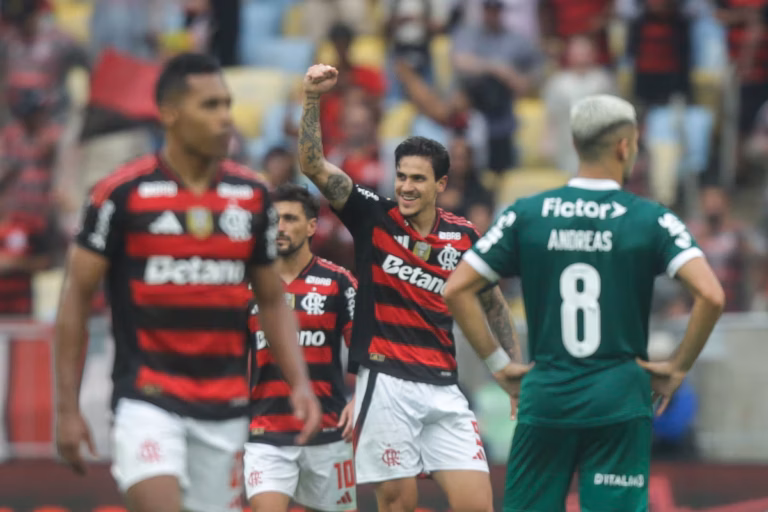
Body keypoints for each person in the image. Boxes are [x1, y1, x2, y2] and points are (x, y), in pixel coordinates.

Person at [54, 53, 322, 512]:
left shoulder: (252, 196)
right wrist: (66, 408)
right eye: (210, 106)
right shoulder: (121, 195)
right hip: (147, 398)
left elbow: (273, 301)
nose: (225, 118)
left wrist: (299, 381)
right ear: (170, 114)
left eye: (227, 104)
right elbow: (76, 299)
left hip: (227, 406)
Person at [443, 94, 725, 512]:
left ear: (574, 146)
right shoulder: (651, 217)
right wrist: (676, 368)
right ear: (624, 147)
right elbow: (711, 295)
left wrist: (500, 367)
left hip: (547, 394)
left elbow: (456, 289)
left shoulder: (527, 213)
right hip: (619, 396)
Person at [297, 64, 520, 512]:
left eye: (418, 178)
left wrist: (515, 369)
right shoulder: (372, 215)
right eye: (401, 176)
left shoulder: (462, 237)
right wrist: (312, 98)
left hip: (443, 386)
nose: (406, 187)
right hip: (386, 381)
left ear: (440, 184)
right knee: (399, 503)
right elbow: (313, 165)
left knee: (478, 505)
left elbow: (492, 302)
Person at [244, 183, 358, 512]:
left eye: (290, 218)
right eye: (274, 219)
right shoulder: (247, 285)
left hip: (329, 431)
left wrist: (360, 397)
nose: (279, 227)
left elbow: (365, 349)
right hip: (267, 432)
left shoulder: (340, 282)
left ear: (311, 226)